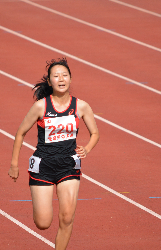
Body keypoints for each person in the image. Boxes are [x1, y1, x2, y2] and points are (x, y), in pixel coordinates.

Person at [8, 58, 99, 249]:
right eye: (56, 76)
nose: (61, 79)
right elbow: (20, 133)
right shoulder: (41, 106)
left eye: (65, 75)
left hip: (69, 165)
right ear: (49, 82)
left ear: (71, 79)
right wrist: (14, 164)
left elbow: (95, 133)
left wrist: (87, 148)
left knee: (67, 217)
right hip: (43, 166)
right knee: (43, 223)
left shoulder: (81, 106)